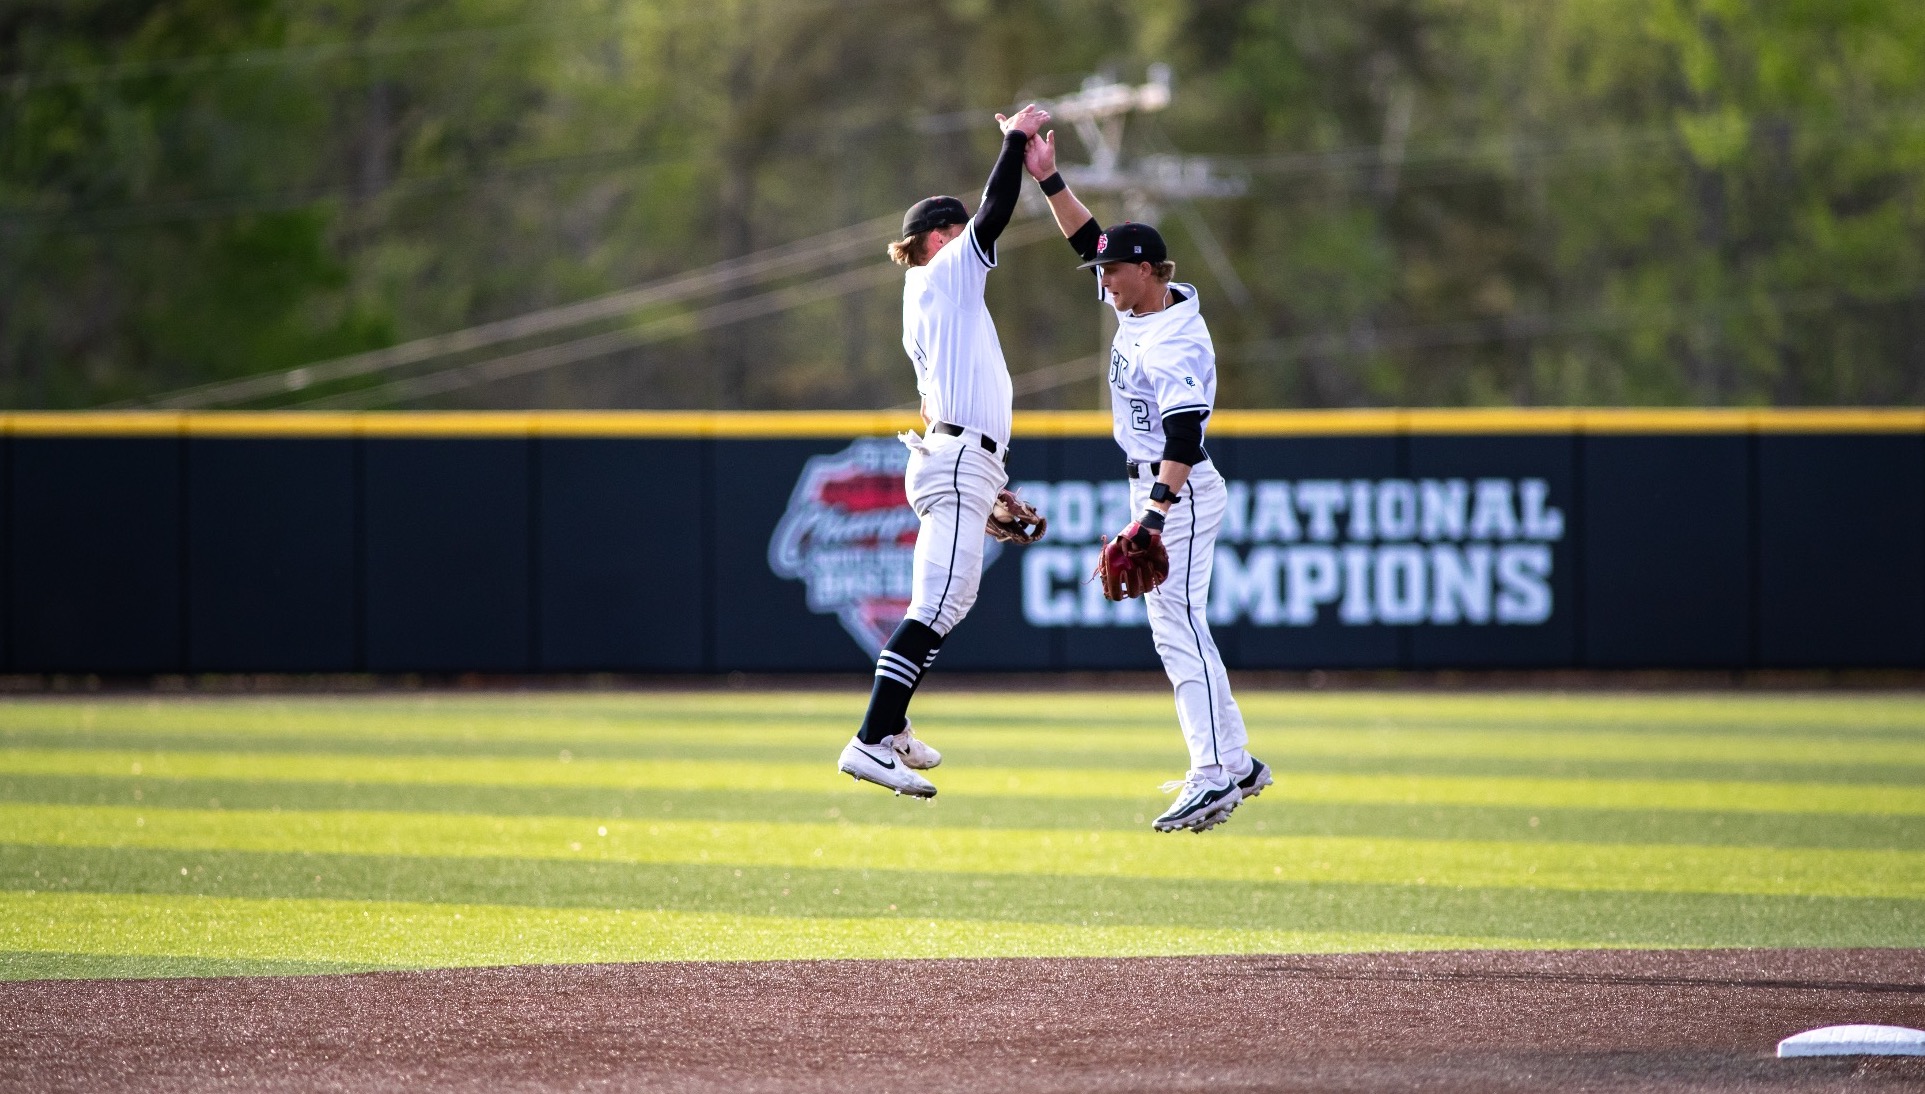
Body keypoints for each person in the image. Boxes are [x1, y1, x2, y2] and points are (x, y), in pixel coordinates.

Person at [1023, 128, 1271, 832]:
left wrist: (1153, 517)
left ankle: (1214, 773)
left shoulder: (1174, 338)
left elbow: (1185, 437)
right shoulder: (1137, 303)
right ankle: (1237, 762)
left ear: (1149, 270)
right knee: (1176, 624)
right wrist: (1048, 179)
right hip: (1155, 486)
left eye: (1111, 274)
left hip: (1178, 488)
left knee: (1178, 625)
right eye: (1100, 276)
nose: (1101, 283)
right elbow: (1088, 239)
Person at [836, 103, 1052, 798]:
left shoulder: (930, 294)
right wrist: (1015, 142)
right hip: (958, 457)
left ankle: (889, 727)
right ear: (936, 238)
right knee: (938, 606)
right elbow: (993, 211)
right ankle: (870, 739)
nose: (969, 238)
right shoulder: (944, 274)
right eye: (954, 230)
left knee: (940, 603)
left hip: (960, 458)